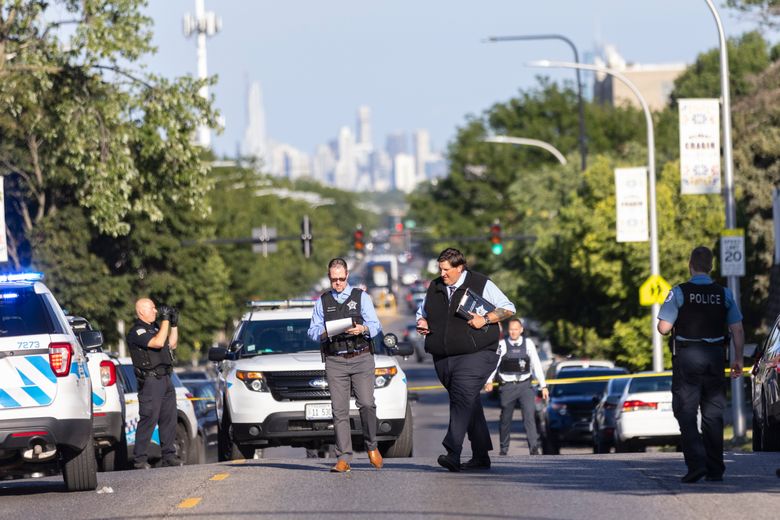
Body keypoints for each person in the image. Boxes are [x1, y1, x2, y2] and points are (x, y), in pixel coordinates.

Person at [416, 247, 516, 472]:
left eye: (446, 269)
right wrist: (422, 323)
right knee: (468, 401)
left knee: (461, 396)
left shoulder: (481, 283)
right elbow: (422, 312)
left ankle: (453, 452)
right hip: (444, 358)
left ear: (459, 268)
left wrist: (487, 319)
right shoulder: (435, 287)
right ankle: (481, 455)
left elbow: (509, 308)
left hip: (478, 353)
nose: (442, 273)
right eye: (440, 269)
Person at [657, 246, 744, 483]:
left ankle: (696, 464)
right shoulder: (724, 294)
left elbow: (663, 328)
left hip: (687, 357)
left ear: (690, 265)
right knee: (713, 414)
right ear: (711, 267)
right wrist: (738, 359)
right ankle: (716, 468)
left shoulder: (679, 292)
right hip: (715, 357)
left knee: (685, 411)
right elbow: (736, 328)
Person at [308, 258, 383, 473]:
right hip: (335, 359)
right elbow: (311, 330)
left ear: (347, 276)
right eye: (334, 279)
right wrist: (324, 333)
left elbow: (376, 325)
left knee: (367, 404)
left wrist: (363, 329)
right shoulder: (322, 301)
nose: (338, 283)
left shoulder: (361, 297)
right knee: (339, 411)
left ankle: (371, 446)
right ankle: (343, 457)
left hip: (361, 356)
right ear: (329, 277)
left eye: (341, 279)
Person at [127, 298, 182, 469]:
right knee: (149, 419)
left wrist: (173, 324)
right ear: (142, 311)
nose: (156, 311)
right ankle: (140, 459)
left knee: (169, 418)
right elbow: (157, 343)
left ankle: (169, 455)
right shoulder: (137, 331)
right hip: (150, 381)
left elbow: (171, 344)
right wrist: (165, 320)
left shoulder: (156, 328)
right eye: (152, 308)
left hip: (165, 378)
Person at [484, 317, 548, 456]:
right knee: (505, 418)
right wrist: (489, 381)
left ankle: (534, 448)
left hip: (525, 386)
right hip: (507, 387)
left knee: (529, 416)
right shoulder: (502, 344)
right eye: (511, 330)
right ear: (508, 331)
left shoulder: (529, 343)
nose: (513, 332)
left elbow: (536, 364)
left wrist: (543, 386)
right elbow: (494, 364)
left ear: (521, 330)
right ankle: (504, 449)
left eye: (516, 329)